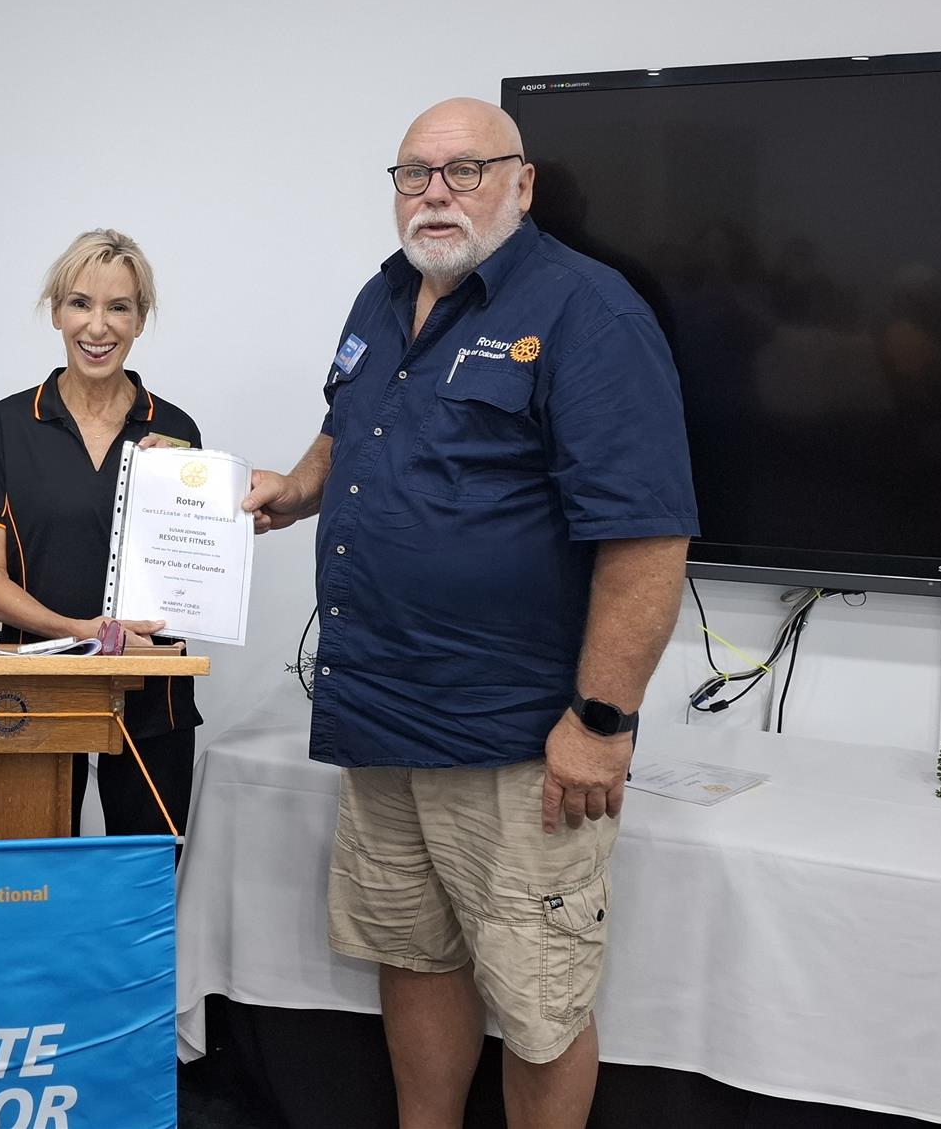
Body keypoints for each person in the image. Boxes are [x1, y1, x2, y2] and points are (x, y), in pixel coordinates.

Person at [242, 98, 698, 1129]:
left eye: (465, 169)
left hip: (515, 738)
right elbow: (348, 426)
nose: (436, 193)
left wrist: (601, 720)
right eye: (415, 173)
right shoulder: (381, 293)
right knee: (413, 956)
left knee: (538, 1003)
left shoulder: (590, 313)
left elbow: (647, 539)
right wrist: (299, 489)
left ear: (522, 183)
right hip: (380, 713)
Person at [0, 229, 202, 838]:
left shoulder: (174, 432)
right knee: (29, 876)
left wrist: (204, 505)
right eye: (80, 304)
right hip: (33, 692)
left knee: (141, 879)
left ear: (140, 319)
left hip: (151, 697)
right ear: (56, 313)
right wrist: (83, 633)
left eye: (118, 307)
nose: (98, 326)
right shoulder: (9, 424)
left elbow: (189, 571)